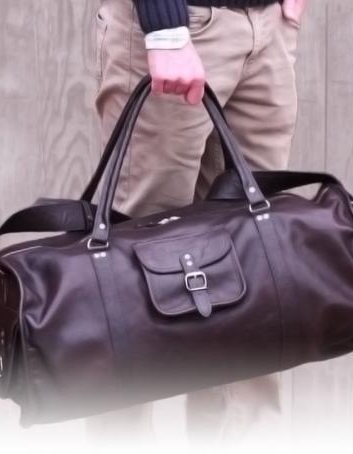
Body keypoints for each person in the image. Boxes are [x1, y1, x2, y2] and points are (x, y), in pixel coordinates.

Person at [86, 0, 306, 445]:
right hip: (175, 24)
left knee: (255, 267)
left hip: (266, 30)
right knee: (130, 276)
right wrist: (164, 28)